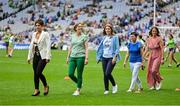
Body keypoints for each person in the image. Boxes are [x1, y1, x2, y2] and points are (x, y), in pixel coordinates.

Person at [27, 19, 51, 96]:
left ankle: (45, 86)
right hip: (35, 55)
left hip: (43, 56)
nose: (37, 27)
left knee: (38, 72)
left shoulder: (45, 34)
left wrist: (48, 57)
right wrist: (29, 57)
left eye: (39, 25)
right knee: (35, 74)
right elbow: (31, 46)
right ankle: (36, 90)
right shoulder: (34, 34)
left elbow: (48, 46)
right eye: (36, 25)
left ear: (42, 26)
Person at [96, 24, 120, 95]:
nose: (107, 30)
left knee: (108, 73)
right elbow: (101, 48)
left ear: (111, 29)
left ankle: (114, 85)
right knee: (105, 74)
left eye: (109, 29)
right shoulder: (104, 38)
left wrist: (115, 57)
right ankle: (106, 89)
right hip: (104, 57)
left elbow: (117, 48)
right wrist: (99, 57)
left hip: (111, 57)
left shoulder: (115, 37)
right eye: (106, 29)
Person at [66, 23, 88, 96]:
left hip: (81, 57)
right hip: (72, 57)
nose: (80, 28)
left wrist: (86, 58)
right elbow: (70, 47)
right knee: (70, 74)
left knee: (79, 75)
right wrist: (67, 57)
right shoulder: (72, 36)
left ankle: (78, 90)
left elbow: (86, 48)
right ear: (75, 28)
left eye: (81, 27)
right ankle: (80, 83)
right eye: (78, 27)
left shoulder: (84, 36)